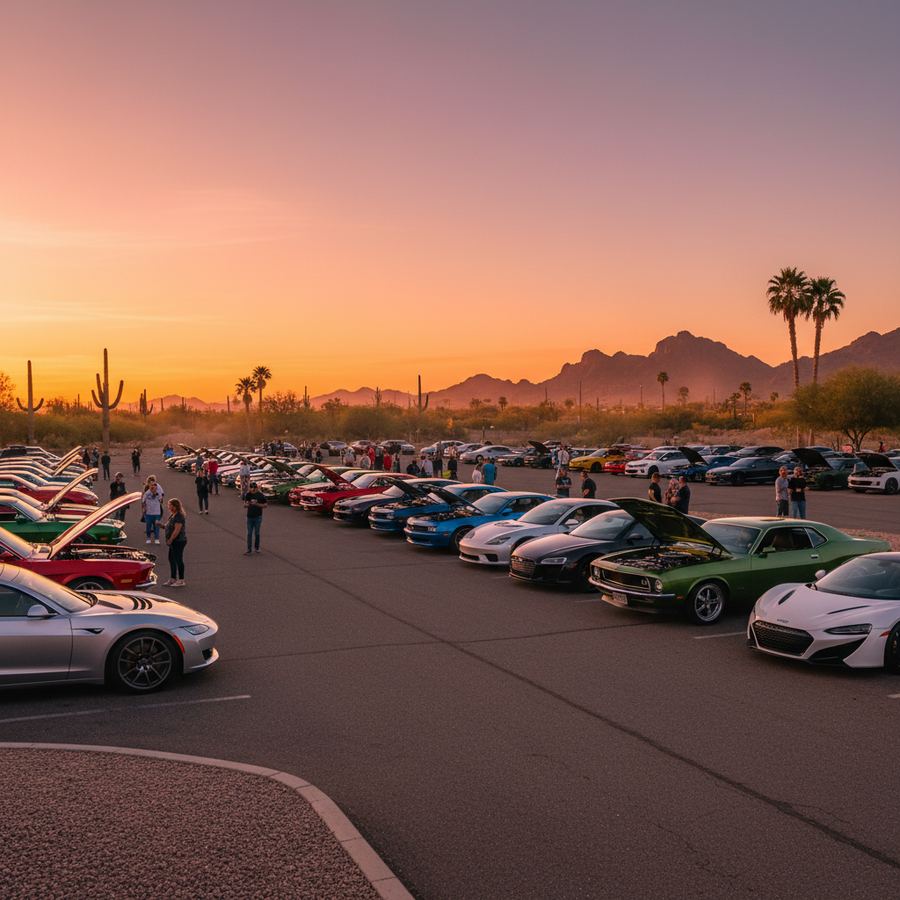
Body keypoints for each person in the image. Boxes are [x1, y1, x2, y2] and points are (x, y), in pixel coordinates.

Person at [163, 498, 187, 586]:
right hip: (174, 542)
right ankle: (173, 578)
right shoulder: (173, 515)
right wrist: (161, 525)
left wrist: (170, 539)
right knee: (171, 559)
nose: (168, 507)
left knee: (178, 560)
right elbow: (168, 526)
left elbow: (177, 530)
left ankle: (181, 580)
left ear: (175, 506)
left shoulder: (179, 517)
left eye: (170, 505)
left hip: (179, 541)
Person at [244, 481, 268, 554]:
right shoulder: (248, 495)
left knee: (257, 533)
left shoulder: (260, 495)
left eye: (254, 488)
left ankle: (257, 548)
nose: (252, 489)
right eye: (251, 488)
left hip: (258, 517)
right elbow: (245, 504)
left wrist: (257, 504)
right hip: (249, 517)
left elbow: (265, 505)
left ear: (256, 488)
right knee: (249, 533)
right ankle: (249, 549)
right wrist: (247, 504)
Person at [142, 477, 165, 544]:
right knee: (148, 526)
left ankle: (156, 538)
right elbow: (143, 501)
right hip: (148, 513)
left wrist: (157, 495)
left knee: (156, 526)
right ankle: (148, 538)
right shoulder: (147, 493)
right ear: (149, 486)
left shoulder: (158, 493)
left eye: (154, 485)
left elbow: (161, 500)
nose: (153, 486)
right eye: (152, 485)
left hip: (156, 512)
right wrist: (144, 508)